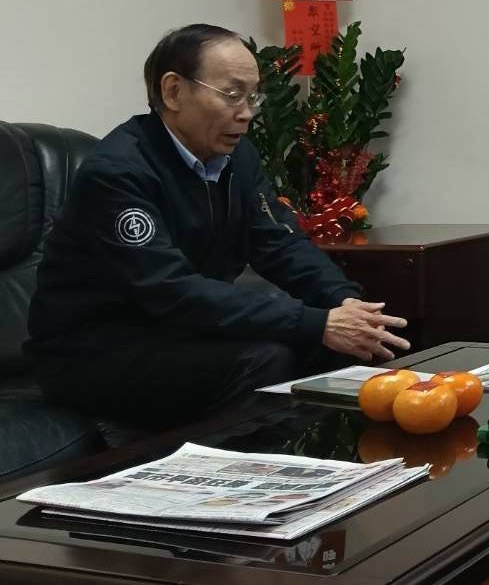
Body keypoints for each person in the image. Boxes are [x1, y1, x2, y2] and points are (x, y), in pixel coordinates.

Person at [26, 24, 409, 427]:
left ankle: (334, 459)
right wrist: (314, 322)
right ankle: (241, 465)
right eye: (231, 94)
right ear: (174, 91)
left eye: (252, 96)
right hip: (94, 352)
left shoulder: (237, 157)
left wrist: (344, 303)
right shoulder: (118, 172)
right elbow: (171, 291)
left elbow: (280, 243)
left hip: (180, 332)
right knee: (267, 358)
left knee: (352, 342)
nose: (246, 113)